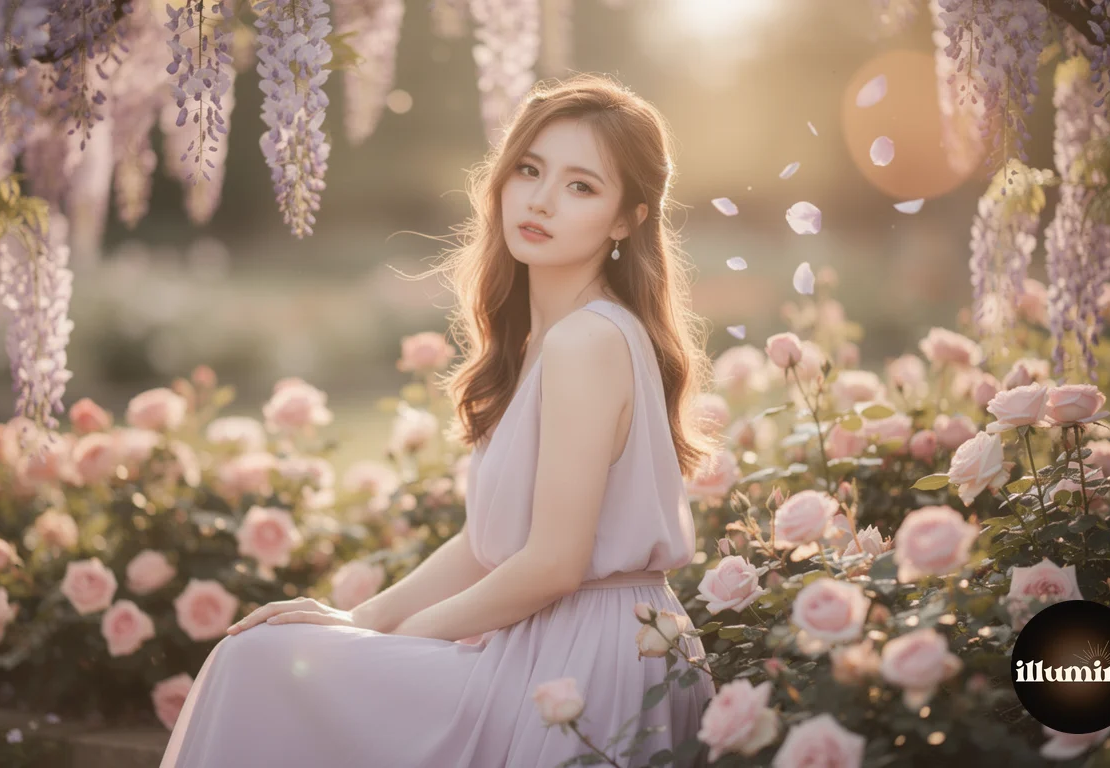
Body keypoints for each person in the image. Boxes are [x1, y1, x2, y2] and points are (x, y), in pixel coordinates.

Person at [159, 72, 719, 768]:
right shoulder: (551, 339)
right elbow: (486, 544)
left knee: (257, 664)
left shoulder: (587, 342)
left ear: (627, 219)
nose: (540, 200)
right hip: (557, 644)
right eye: (529, 170)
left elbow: (553, 564)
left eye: (581, 186)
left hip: (588, 665)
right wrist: (361, 620)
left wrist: (405, 637)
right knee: (262, 651)